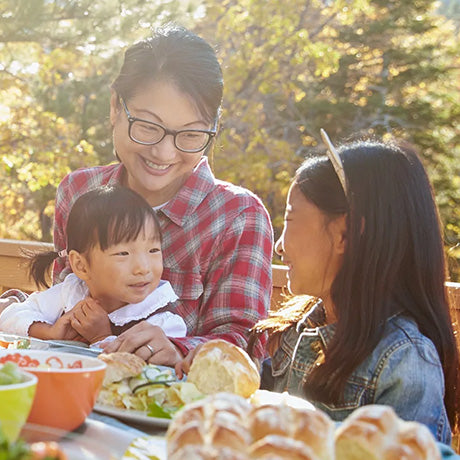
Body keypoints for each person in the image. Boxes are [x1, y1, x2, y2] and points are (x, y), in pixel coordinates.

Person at [50, 24, 274, 365]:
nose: (164, 153)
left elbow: (245, 343)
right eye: (149, 127)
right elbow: (64, 298)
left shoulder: (238, 216)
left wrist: (179, 349)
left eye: (190, 134)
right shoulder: (78, 192)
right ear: (115, 106)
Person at [246, 132, 459, 444]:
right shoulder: (298, 329)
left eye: (290, 219)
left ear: (345, 235)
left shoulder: (404, 361)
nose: (279, 245)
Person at [0, 186, 186, 355]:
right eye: (123, 253)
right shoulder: (71, 294)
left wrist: (101, 338)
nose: (143, 268)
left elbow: (141, 373)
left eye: (153, 250)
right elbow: (10, 315)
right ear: (81, 266)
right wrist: (49, 332)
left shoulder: (163, 321)